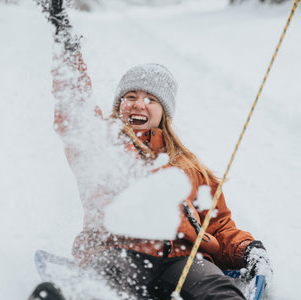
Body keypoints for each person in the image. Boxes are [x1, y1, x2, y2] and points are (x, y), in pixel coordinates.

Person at [32, 1, 272, 299]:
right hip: (117, 250)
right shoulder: (99, 144)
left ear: (164, 112)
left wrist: (247, 248)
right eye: (130, 96)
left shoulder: (188, 166)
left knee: (219, 288)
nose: (138, 103)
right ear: (119, 106)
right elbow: (74, 105)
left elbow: (218, 223)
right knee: (105, 285)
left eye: (150, 99)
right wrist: (66, 44)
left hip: (181, 258)